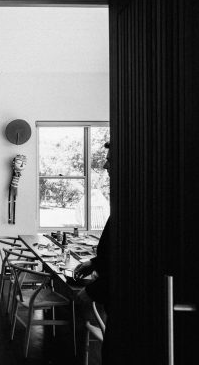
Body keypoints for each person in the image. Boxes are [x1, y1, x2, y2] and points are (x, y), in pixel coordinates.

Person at [73, 142, 111, 363]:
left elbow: (121, 257)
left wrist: (96, 286)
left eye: (110, 160)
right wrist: (95, 263)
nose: (105, 165)